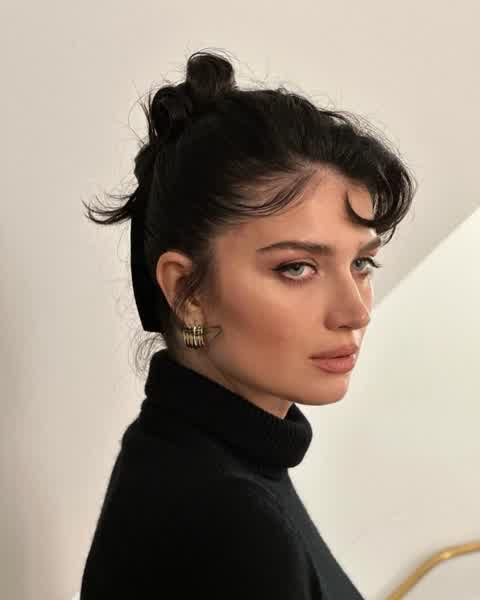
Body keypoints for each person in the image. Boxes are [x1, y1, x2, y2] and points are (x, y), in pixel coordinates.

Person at [79, 48, 416, 599]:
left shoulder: (196, 457)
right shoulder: (230, 521)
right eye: (297, 268)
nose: (356, 311)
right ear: (187, 291)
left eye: (361, 263)